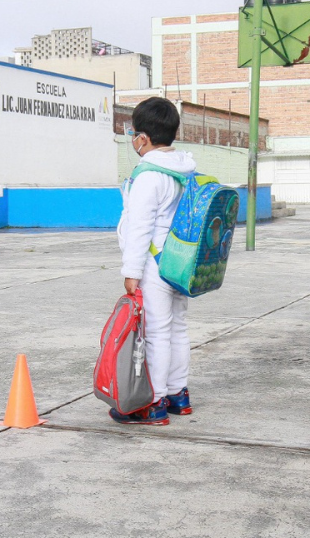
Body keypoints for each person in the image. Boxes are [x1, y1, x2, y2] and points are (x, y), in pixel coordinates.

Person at [113, 97, 197, 425]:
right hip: (181, 262)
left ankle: (155, 401)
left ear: (144, 138)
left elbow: (139, 228)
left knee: (158, 333)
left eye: (133, 133)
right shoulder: (186, 169)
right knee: (178, 329)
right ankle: (179, 394)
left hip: (155, 265)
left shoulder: (149, 175)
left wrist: (131, 271)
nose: (132, 139)